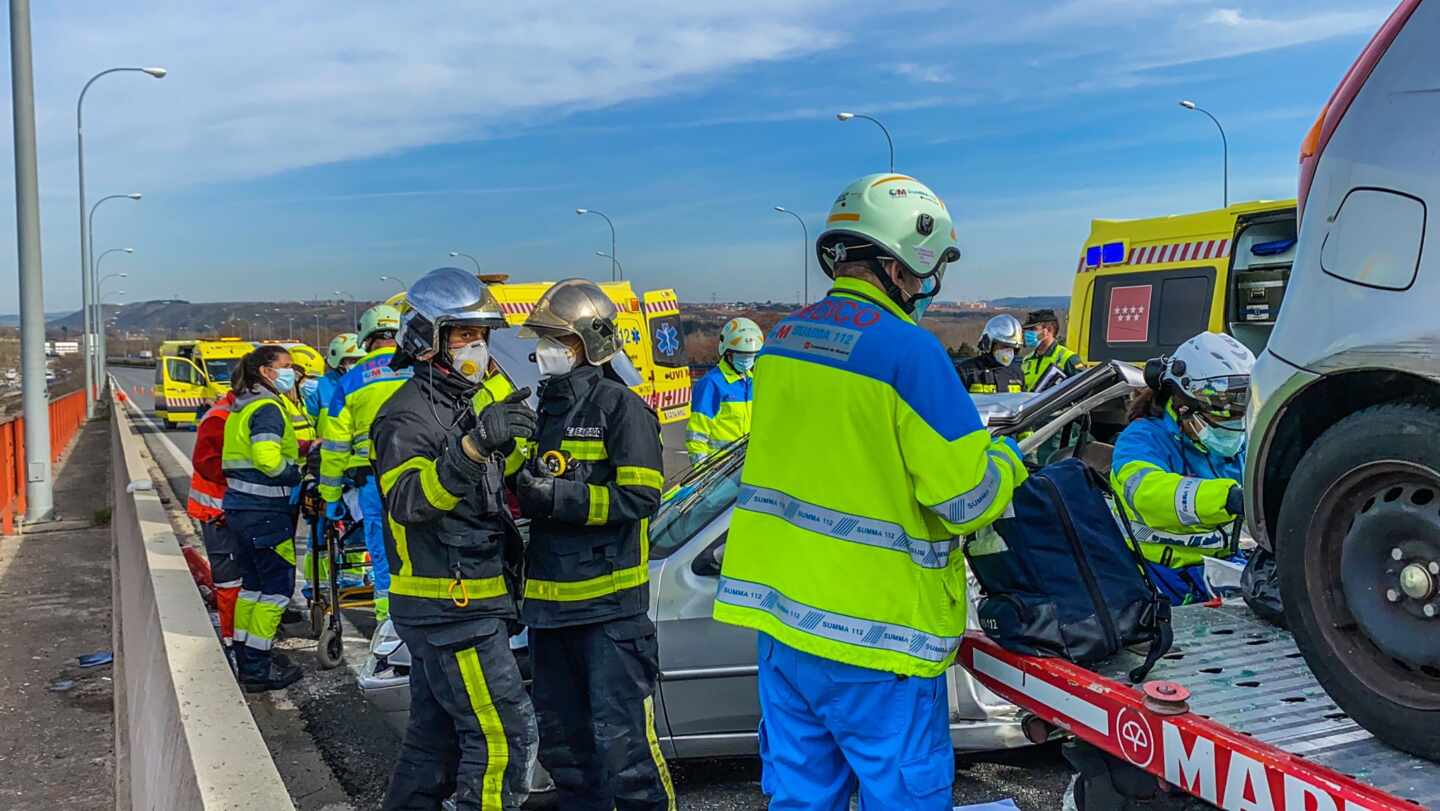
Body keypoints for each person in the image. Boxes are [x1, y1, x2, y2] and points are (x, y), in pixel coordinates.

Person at [711, 173, 1028, 809]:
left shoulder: (782, 344)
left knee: (800, 796)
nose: (928, 288)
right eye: (927, 271)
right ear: (899, 262)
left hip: (785, 625)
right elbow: (963, 498)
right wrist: (1008, 460)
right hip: (878, 640)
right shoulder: (910, 354)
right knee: (903, 797)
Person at [374, 268, 535, 810]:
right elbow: (411, 501)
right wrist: (472, 448)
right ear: (428, 341)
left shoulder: (464, 403)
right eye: (464, 336)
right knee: (504, 741)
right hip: (450, 605)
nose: (477, 347)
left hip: (463, 597)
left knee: (433, 745)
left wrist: (517, 447)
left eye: (482, 336)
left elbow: (501, 475)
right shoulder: (405, 416)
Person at [512, 279, 675, 811]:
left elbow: (641, 496)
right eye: (542, 339)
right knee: (566, 754)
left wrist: (560, 498)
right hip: (550, 614)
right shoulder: (542, 411)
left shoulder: (619, 408)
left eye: (558, 339)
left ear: (592, 342)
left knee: (624, 756)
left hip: (608, 613)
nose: (545, 351)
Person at [1111, 331, 1255, 605]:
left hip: (1224, 570)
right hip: (1157, 578)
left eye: (1241, 409)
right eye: (1224, 409)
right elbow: (1146, 493)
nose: (1234, 421)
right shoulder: (1142, 438)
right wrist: (1228, 497)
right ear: (1182, 404)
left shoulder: (1241, 440)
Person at [319, 304, 409, 624]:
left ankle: (389, 627)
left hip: (372, 479)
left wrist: (330, 498)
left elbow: (333, 447)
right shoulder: (420, 368)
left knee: (382, 552)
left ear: (365, 338)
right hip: (422, 474)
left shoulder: (350, 382)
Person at [222, 345, 304, 692]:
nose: (292, 373)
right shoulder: (269, 407)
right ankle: (258, 666)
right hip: (265, 513)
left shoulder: (242, 405)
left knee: (252, 589)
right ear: (266, 372)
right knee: (276, 592)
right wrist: (296, 473)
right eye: (285, 366)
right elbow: (268, 458)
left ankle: (246, 656)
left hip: (241, 510)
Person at [188, 388, 240, 671]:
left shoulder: (234, 413)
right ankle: (233, 640)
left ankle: (241, 636)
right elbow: (209, 466)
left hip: (231, 510)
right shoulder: (220, 418)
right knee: (230, 579)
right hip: (218, 512)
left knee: (241, 577)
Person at [686, 316, 763, 464]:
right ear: (727, 353)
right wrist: (701, 475)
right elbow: (696, 437)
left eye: (750, 356)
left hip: (746, 469)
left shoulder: (753, 381)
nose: (746, 360)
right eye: (740, 355)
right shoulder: (711, 384)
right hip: (719, 472)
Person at [956, 313, 1026, 394]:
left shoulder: (1017, 373)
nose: (1008, 352)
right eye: (1004, 346)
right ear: (988, 344)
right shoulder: (965, 371)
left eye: (1013, 348)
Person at [304, 332, 364, 424]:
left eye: (362, 359)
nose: (358, 364)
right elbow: (309, 421)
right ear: (338, 361)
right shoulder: (319, 387)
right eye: (353, 360)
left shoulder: (372, 381)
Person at [1020, 308, 1082, 392]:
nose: (1027, 333)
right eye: (1027, 330)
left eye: (1033, 329)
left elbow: (1082, 389)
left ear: (1048, 330)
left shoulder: (1068, 358)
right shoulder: (1027, 360)